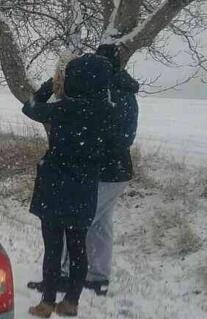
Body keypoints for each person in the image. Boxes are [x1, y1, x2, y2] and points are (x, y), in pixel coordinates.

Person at [22, 53, 116, 318]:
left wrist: (49, 87)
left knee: (52, 247)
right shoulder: (107, 113)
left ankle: (47, 302)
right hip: (85, 186)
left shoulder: (62, 109)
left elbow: (29, 107)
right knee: (78, 246)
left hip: (55, 183)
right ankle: (71, 301)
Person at [86, 43, 140, 295]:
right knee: (102, 222)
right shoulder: (127, 92)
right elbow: (127, 135)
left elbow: (102, 132)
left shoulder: (104, 91)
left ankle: (72, 273)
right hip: (120, 169)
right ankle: (99, 275)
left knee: (83, 220)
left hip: (105, 169)